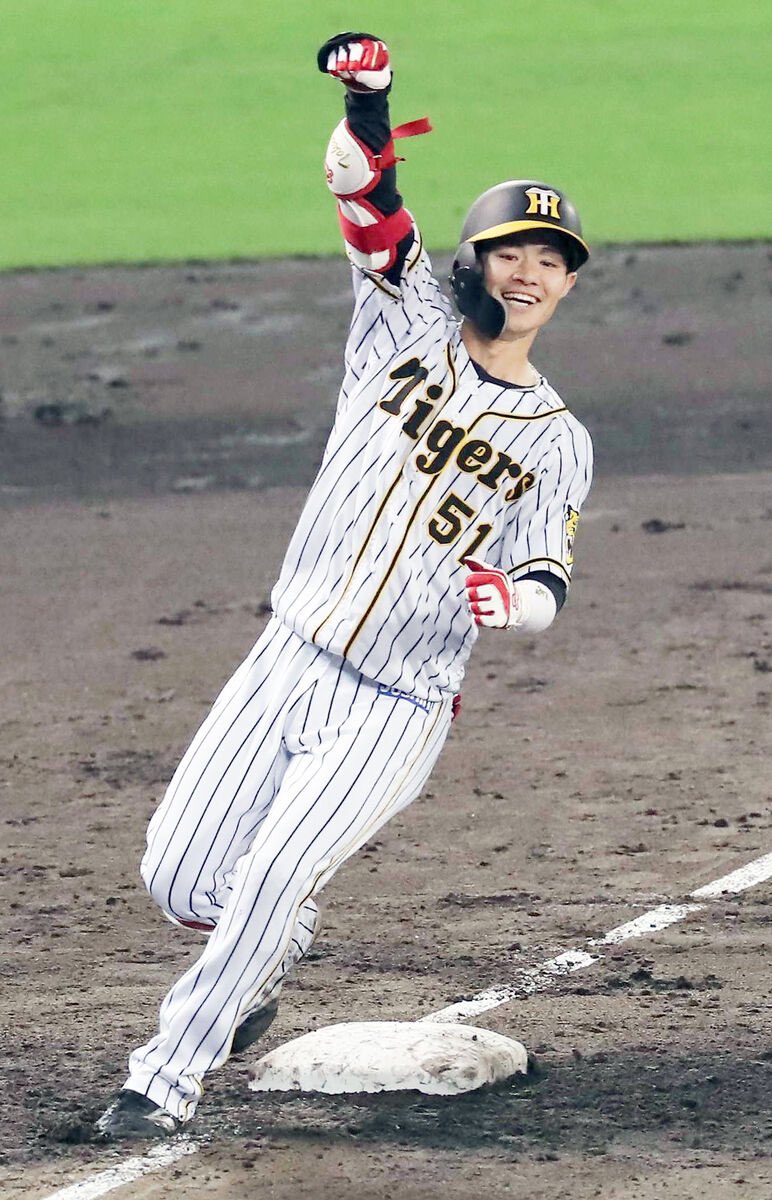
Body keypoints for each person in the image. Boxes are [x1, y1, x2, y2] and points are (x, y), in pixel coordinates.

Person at [97, 31, 593, 1139]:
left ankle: (162, 1080)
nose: (528, 273)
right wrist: (372, 102)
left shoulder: (559, 438)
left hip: (397, 703)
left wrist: (513, 603)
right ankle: (264, 951)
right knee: (182, 883)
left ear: (567, 284)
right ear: (473, 261)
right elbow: (368, 200)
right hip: (284, 658)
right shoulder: (401, 324)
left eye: (551, 260)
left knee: (273, 873)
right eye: (511, 252)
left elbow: (547, 576)